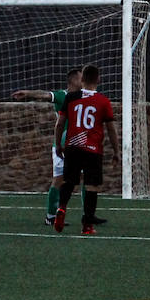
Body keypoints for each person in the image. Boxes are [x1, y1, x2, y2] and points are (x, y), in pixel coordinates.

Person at [12, 68, 94, 226]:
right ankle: (50, 217)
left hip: (80, 145)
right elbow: (44, 95)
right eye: (80, 79)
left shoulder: (85, 97)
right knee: (59, 180)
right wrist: (28, 93)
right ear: (72, 81)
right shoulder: (62, 95)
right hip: (62, 145)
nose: (83, 81)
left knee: (86, 178)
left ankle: (88, 214)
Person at [53, 64, 121, 235]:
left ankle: (61, 208)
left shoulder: (71, 97)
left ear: (82, 80)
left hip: (73, 147)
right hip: (92, 149)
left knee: (69, 181)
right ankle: (87, 226)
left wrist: (58, 144)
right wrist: (116, 151)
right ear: (98, 79)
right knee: (92, 186)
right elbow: (111, 129)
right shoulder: (103, 101)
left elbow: (60, 124)